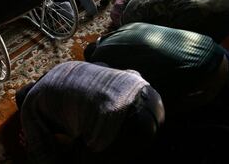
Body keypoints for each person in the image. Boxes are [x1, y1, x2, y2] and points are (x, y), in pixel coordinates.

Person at [16, 61, 165, 164]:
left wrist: (30, 145)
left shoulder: (30, 105)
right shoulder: (67, 66)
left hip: (126, 126)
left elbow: (44, 157)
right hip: (152, 97)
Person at [84, 22, 229, 114]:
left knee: (155, 103)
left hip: (208, 75)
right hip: (214, 48)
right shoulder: (128, 26)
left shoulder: (102, 56)